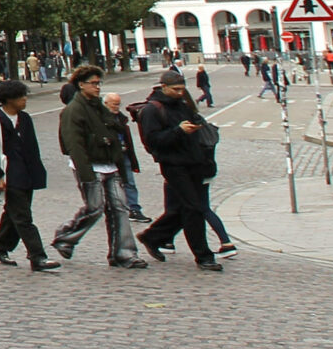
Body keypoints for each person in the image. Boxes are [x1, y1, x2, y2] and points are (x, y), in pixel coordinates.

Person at [51, 67, 145, 268]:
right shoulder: (73, 110)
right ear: (81, 84)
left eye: (98, 83)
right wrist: (86, 174)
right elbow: (74, 145)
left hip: (110, 165)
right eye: (93, 83)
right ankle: (65, 236)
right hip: (90, 166)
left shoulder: (99, 107)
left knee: (120, 208)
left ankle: (124, 253)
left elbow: (114, 131)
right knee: (94, 208)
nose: (97, 87)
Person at [137, 69, 222, 271]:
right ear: (164, 87)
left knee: (182, 209)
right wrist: (179, 131)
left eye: (182, 89)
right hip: (173, 164)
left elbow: (195, 122)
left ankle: (151, 236)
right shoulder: (152, 110)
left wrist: (196, 127)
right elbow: (152, 140)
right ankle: (203, 256)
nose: (180, 93)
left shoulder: (183, 105)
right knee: (194, 208)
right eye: (175, 89)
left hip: (194, 162)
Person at [0, 79, 58, 271]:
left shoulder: (25, 118)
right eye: (20, 96)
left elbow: (32, 148)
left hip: (27, 175)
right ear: (8, 99)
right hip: (10, 176)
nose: (24, 99)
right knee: (23, 217)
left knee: (13, 213)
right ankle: (37, 257)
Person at [104, 90, 149, 223]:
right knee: (111, 183)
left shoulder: (121, 118)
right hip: (110, 156)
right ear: (106, 104)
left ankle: (134, 209)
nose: (116, 107)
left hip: (124, 154)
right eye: (114, 104)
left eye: (118, 104)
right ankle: (113, 208)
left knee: (129, 182)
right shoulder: (100, 119)